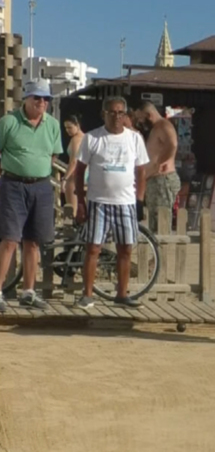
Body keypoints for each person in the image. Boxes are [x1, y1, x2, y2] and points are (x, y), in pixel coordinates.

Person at [73, 96, 149, 309]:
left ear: (126, 115)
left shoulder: (134, 138)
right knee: (93, 248)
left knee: (125, 248)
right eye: (112, 112)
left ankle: (122, 294)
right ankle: (87, 294)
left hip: (125, 202)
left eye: (120, 112)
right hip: (99, 201)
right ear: (104, 114)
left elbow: (141, 171)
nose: (116, 117)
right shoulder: (92, 138)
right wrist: (80, 201)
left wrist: (140, 200)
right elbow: (80, 171)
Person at [0, 79, 63, 312]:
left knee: (33, 241)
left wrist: (39, 173)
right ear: (26, 98)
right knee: (9, 239)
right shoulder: (8, 123)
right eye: (37, 97)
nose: (42, 103)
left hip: (41, 186)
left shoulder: (53, 125)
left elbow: (54, 156)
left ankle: (28, 292)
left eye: (46, 99)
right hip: (13, 184)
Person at [139, 102, 179, 231]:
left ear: (148, 115)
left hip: (162, 179)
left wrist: (161, 162)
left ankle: (162, 251)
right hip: (154, 180)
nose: (140, 122)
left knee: (161, 222)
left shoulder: (163, 125)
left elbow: (172, 144)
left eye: (141, 119)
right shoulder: (156, 128)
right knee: (154, 222)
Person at [62, 115, 85, 211]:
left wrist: (65, 178)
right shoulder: (86, 137)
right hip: (85, 176)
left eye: (70, 127)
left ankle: (68, 225)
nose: (68, 130)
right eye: (66, 128)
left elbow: (73, 161)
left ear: (77, 125)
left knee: (70, 209)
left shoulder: (75, 140)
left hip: (73, 176)